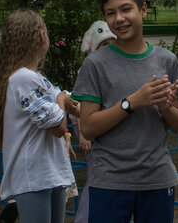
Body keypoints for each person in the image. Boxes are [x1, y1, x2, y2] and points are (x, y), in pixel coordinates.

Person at [71, 0, 178, 223]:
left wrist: (165, 108)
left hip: (157, 179)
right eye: (110, 13)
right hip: (109, 182)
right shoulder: (95, 64)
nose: (119, 19)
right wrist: (131, 103)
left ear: (142, 9)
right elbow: (88, 128)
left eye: (126, 9)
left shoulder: (167, 60)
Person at [0, 9, 78, 223]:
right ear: (42, 35)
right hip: (34, 175)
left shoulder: (36, 78)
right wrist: (62, 100)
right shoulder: (23, 78)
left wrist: (67, 102)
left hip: (48, 172)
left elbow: (66, 102)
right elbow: (57, 126)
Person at [70, 21, 116, 223]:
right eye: (104, 44)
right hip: (89, 127)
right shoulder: (88, 68)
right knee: (97, 174)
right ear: (94, 47)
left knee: (104, 174)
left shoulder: (112, 66)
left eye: (111, 43)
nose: (109, 48)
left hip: (103, 128)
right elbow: (78, 103)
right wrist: (83, 134)